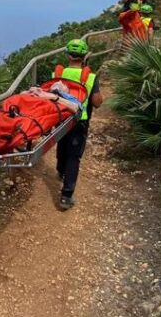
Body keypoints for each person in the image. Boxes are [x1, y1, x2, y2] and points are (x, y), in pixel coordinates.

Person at [53, 39, 103, 210]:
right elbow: (97, 102)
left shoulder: (58, 74)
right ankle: (66, 196)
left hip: (60, 118)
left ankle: (60, 170)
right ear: (84, 56)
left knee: (62, 144)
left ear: (68, 55)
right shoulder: (90, 77)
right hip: (79, 120)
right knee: (74, 156)